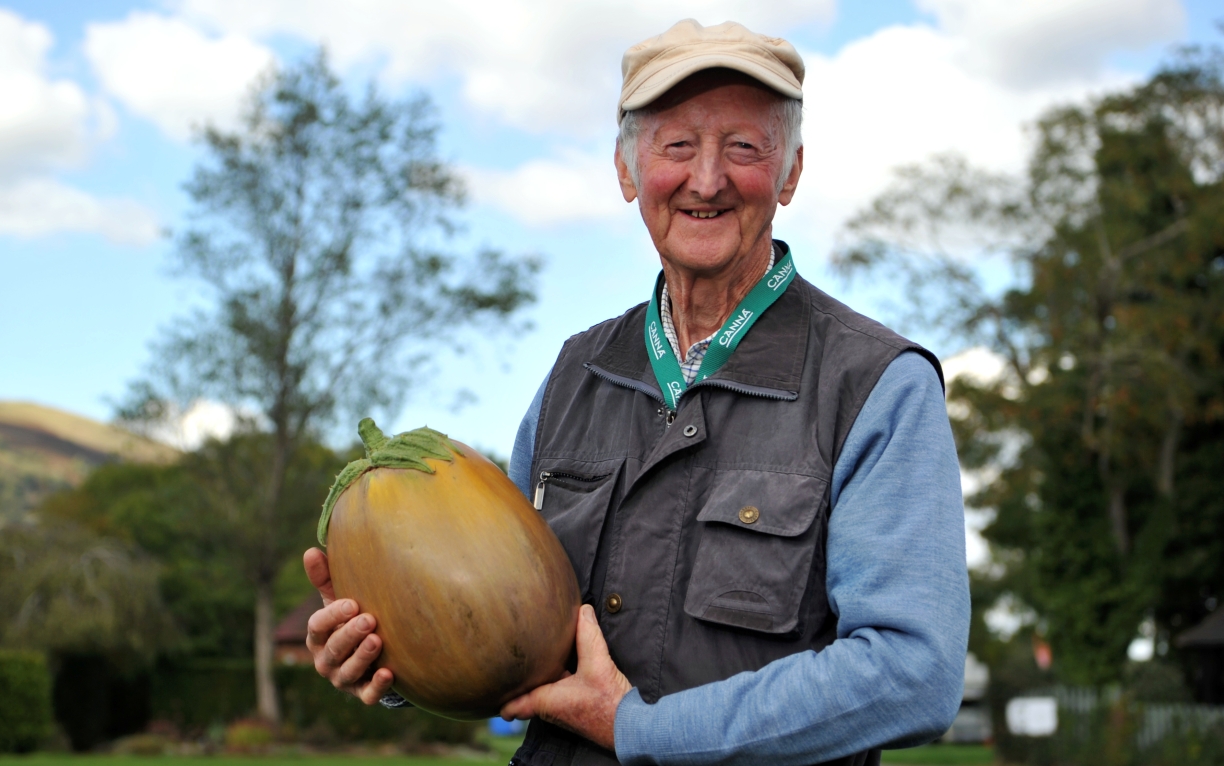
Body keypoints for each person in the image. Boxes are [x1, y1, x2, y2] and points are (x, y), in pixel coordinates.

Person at [302, 19, 969, 766]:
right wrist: (391, 655)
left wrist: (640, 730)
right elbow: (498, 629)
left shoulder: (878, 385)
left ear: (790, 173)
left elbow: (914, 674)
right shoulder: (572, 376)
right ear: (627, 171)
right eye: (676, 146)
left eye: (743, 147)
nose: (706, 179)